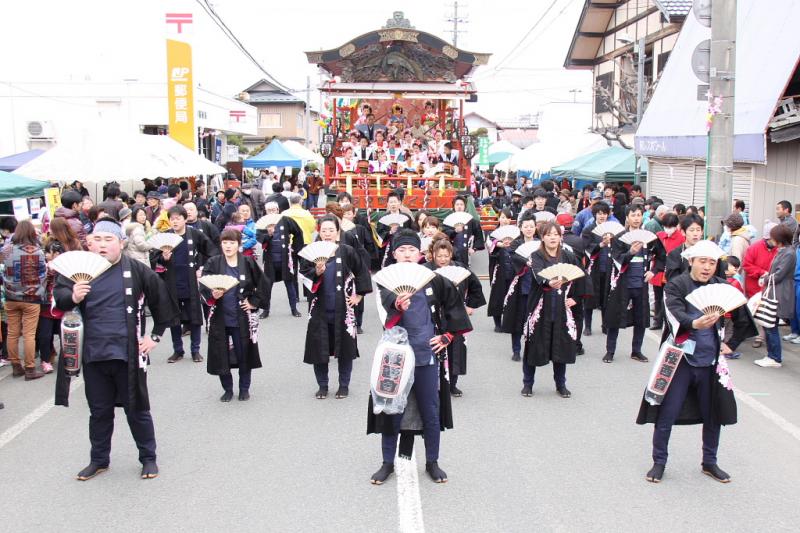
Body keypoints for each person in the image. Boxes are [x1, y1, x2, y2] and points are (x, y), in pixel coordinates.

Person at [54, 219, 177, 481]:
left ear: (121, 243)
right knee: (99, 411)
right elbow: (59, 299)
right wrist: (73, 296)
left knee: (137, 409)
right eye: (96, 240)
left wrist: (154, 336)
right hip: (93, 353)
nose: (101, 245)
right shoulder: (77, 270)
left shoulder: (135, 269)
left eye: (108, 240)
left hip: (128, 352)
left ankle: (148, 458)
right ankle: (98, 460)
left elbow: (162, 301)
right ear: (88, 243)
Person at [637, 240, 754, 484]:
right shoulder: (677, 285)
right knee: (666, 412)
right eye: (702, 261)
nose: (707, 267)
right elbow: (673, 313)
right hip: (678, 358)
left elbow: (743, 319)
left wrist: (731, 344)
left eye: (712, 262)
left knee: (714, 412)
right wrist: (693, 323)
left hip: (711, 360)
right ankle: (659, 462)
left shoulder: (723, 287)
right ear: (691, 261)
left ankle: (710, 462)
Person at [368, 229, 472, 485]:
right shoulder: (386, 281)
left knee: (430, 409)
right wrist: (398, 305)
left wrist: (447, 336)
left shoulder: (435, 280)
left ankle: (432, 461)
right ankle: (386, 462)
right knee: (391, 409)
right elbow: (388, 307)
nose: (406, 254)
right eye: (401, 250)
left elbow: (455, 310)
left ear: (420, 254)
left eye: (411, 250)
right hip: (396, 357)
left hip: (427, 354)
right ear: (393, 254)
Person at [300, 216, 372, 399]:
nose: (327, 234)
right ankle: (322, 386)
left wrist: (359, 295)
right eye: (324, 230)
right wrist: (316, 272)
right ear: (319, 231)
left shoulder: (346, 251)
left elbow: (362, 271)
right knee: (319, 349)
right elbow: (304, 278)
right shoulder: (311, 253)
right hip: (319, 310)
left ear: (337, 231)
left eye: (331, 230)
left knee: (345, 350)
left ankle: (343, 385)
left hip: (344, 310)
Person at [201, 228, 269, 401]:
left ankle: (244, 388)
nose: (228, 246)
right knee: (221, 353)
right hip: (220, 316)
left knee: (244, 352)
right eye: (225, 242)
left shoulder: (247, 262)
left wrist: (253, 301)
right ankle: (228, 388)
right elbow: (204, 286)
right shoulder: (213, 263)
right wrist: (212, 294)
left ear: (239, 244)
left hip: (242, 317)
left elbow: (263, 283)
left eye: (232, 243)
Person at [521, 222, 585, 398]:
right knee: (533, 345)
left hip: (562, 308)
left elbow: (581, 275)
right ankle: (528, 383)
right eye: (548, 234)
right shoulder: (536, 256)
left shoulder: (568, 256)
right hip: (540, 307)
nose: (552, 237)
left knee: (560, 347)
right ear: (542, 237)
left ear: (560, 236)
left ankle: (561, 384)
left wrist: (576, 298)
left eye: (555, 234)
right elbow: (538, 273)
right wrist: (548, 282)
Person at [153, 206, 218, 363]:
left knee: (194, 318)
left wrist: (203, 269)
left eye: (178, 218)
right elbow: (153, 260)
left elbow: (212, 252)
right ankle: (178, 350)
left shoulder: (194, 234)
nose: (175, 221)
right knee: (174, 319)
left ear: (184, 219)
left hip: (191, 282)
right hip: (172, 283)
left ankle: (195, 350)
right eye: (172, 219)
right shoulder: (165, 236)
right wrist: (164, 258)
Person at [426, 237, 485, 396]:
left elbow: (475, 286)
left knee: (456, 351)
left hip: (456, 316)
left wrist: (470, 305)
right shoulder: (425, 270)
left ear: (451, 254)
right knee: (434, 348)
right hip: (434, 317)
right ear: (433, 255)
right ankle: (434, 383)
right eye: (439, 256)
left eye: (446, 256)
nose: (443, 259)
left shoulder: (460, 268)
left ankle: (452, 384)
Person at [603, 204, 651, 364]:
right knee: (615, 317)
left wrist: (654, 271)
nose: (636, 218)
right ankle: (610, 351)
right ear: (627, 218)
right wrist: (630, 253)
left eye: (639, 215)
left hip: (641, 283)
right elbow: (615, 258)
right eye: (633, 215)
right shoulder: (620, 237)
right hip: (623, 283)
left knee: (641, 318)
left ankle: (636, 350)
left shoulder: (648, 237)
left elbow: (661, 255)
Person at [1, 220, 47, 380]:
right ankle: (30, 368)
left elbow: (3, 272)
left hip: (11, 297)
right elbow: (43, 274)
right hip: (31, 298)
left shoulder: (5, 250)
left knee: (13, 333)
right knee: (29, 334)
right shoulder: (37, 251)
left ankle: (15, 366)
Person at [754, 224, 795, 368]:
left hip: (779, 292)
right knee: (769, 323)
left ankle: (775, 357)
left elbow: (779, 274)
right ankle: (772, 356)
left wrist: (764, 279)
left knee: (770, 324)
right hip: (776, 290)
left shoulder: (788, 253)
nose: (770, 240)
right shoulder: (785, 251)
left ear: (779, 239)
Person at [501, 210, 538, 361]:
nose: (529, 229)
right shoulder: (515, 243)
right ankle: (516, 349)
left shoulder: (540, 244)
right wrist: (524, 262)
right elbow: (511, 260)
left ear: (535, 228)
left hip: (536, 287)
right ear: (521, 228)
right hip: (519, 287)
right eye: (526, 226)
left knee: (535, 320)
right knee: (517, 319)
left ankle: (532, 349)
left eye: (531, 226)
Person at [258, 202, 304, 318]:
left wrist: (294, 248)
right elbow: (260, 239)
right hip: (270, 259)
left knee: (290, 283)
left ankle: (294, 309)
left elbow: (298, 233)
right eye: (269, 210)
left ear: (278, 210)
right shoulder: (263, 223)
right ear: (266, 211)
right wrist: (268, 234)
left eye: (274, 209)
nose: (272, 212)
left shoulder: (286, 220)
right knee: (267, 285)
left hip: (285, 258)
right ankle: (265, 310)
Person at [581, 202, 615, 336]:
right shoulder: (588, 229)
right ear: (595, 214)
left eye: (605, 213)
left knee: (606, 297)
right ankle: (587, 326)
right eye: (599, 213)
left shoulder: (613, 229)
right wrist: (600, 244)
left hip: (608, 267)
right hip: (593, 268)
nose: (602, 216)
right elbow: (585, 247)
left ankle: (605, 324)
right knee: (589, 297)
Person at [649, 213, 685, 331]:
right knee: (658, 298)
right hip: (659, 272)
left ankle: (667, 320)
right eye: (666, 226)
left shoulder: (681, 239)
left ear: (676, 226)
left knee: (669, 298)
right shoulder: (659, 236)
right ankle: (657, 320)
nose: (668, 229)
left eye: (671, 227)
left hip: (672, 272)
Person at [487, 209, 516, 332]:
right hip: (499, 269)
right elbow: (489, 246)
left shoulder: (516, 233)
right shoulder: (493, 234)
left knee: (513, 295)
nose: (504, 220)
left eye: (507, 218)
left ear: (510, 219)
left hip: (514, 269)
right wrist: (498, 244)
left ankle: (509, 322)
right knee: (497, 296)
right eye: (502, 217)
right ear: (499, 218)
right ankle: (497, 323)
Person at [442, 195, 485, 266]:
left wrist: (474, 248)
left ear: (465, 206)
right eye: (457, 204)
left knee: (465, 271)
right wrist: (454, 232)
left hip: (465, 251)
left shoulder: (471, 220)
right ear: (454, 206)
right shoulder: (448, 220)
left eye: (461, 204)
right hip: (451, 250)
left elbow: (478, 235)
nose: (459, 206)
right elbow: (444, 234)